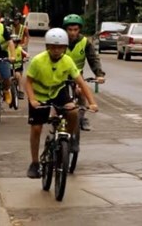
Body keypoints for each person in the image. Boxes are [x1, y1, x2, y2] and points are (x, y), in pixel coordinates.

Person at [24, 28, 98, 179]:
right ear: (47, 47)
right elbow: (28, 82)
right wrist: (32, 100)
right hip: (39, 94)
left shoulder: (67, 61)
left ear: (65, 48)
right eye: (53, 47)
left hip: (58, 92)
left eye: (60, 47)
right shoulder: (38, 61)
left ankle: (67, 140)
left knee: (73, 112)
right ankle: (34, 163)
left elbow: (82, 83)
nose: (56, 50)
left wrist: (92, 103)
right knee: (36, 128)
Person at [62, 14, 105, 131]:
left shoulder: (85, 42)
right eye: (69, 30)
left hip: (77, 73)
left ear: (79, 29)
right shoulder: (60, 41)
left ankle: (82, 118)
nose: (72, 33)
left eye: (75, 30)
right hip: (60, 73)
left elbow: (93, 59)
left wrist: (99, 74)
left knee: (81, 92)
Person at [12, 34, 29, 99]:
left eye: (15, 42)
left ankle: (21, 91)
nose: (14, 44)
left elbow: (27, 55)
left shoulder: (20, 49)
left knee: (18, 76)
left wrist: (25, 58)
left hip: (18, 67)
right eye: (13, 42)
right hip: (9, 67)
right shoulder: (7, 49)